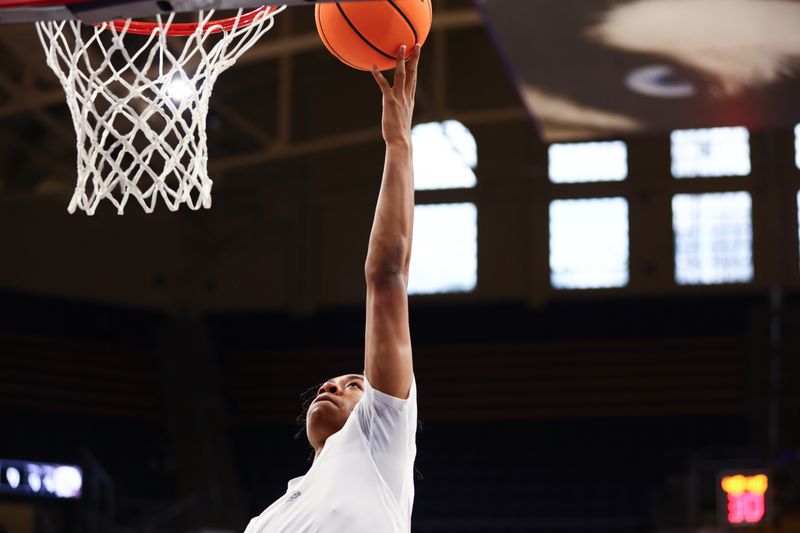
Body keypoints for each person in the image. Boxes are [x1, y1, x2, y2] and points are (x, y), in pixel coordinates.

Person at [244, 43, 422, 533]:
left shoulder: (377, 440)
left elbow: (387, 277)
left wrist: (399, 143)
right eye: (336, 383)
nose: (330, 386)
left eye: (353, 385)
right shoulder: (264, 522)